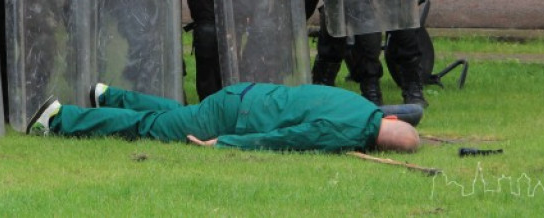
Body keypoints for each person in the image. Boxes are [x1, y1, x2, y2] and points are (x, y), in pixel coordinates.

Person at [27, 82, 421, 153]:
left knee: (180, 115)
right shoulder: (345, 131)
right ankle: (61, 119)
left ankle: (109, 95)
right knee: (151, 129)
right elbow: (287, 140)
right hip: (237, 117)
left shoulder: (359, 105)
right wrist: (225, 144)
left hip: (245, 93)